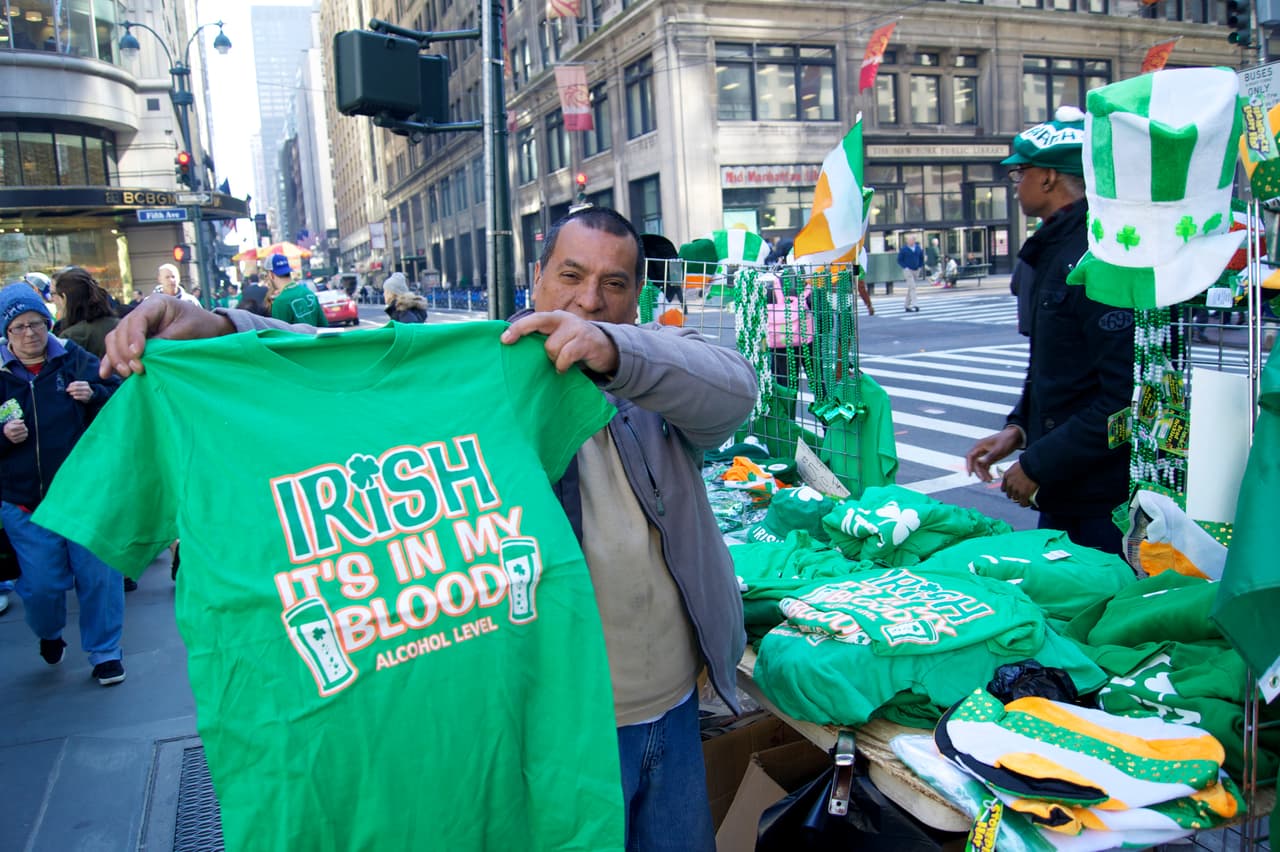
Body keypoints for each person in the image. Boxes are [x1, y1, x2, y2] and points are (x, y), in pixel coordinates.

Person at [100, 206, 757, 851]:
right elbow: (345, 364)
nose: (589, 300)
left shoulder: (653, 374)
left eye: (614, 285)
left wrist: (616, 352)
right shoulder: (486, 376)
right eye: (571, 276)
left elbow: (733, 387)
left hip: (671, 706)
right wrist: (219, 327)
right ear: (537, 277)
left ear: (635, 296)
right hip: (559, 718)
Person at [964, 106, 1133, 555]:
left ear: (1050, 178)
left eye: (1020, 171)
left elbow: (1122, 398)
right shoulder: (1054, 249)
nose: (1015, 183)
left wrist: (1038, 462)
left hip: (1099, 500)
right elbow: (1052, 366)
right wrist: (1017, 428)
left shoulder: (1096, 254)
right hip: (1063, 486)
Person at [0, 283, 125, 684]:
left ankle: (106, 653)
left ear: (48, 322)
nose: (30, 334)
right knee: (41, 589)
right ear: (6, 334)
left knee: (99, 576)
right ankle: (49, 633)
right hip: (25, 503)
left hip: (83, 496)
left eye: (36, 323)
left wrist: (93, 393)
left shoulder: (73, 359)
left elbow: (121, 395)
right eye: (18, 327)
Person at [51, 267, 119, 358]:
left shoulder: (71, 337)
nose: (52, 300)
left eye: (53, 294)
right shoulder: (120, 324)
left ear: (64, 297)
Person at [264, 253, 327, 326]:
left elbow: (280, 335)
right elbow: (324, 326)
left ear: (271, 275)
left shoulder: (280, 302)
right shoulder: (308, 293)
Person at [897, 234, 924, 313]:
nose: (910, 241)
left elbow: (921, 258)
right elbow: (899, 259)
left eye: (911, 240)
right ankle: (915, 304)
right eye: (908, 240)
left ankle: (906, 305)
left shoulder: (918, 248)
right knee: (913, 287)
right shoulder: (904, 249)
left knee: (911, 288)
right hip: (907, 270)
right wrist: (905, 267)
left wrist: (920, 266)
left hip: (916, 270)